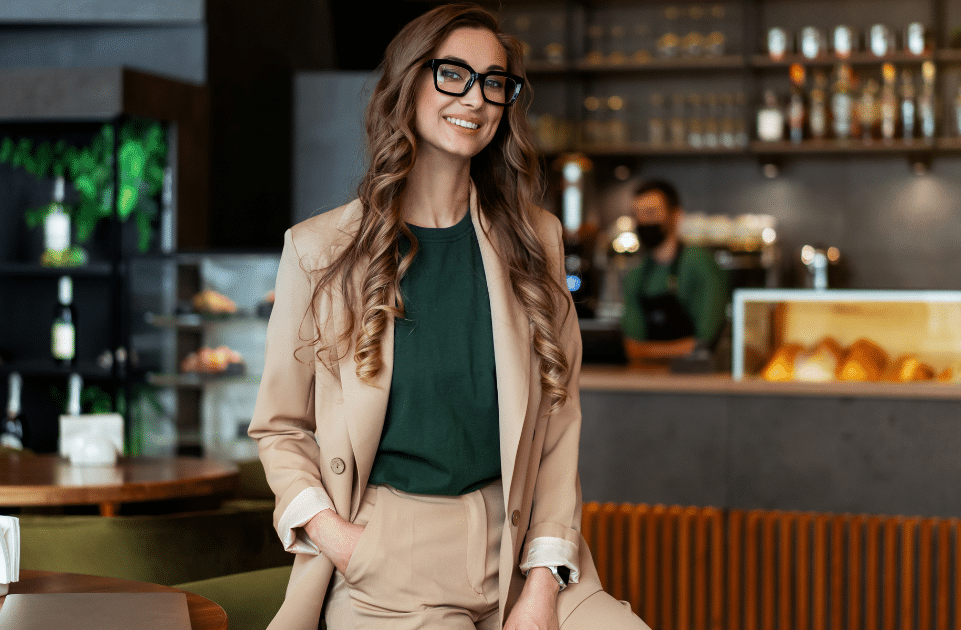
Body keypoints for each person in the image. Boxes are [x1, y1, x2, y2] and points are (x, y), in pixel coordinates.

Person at [248, 5, 651, 630]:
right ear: (408, 83)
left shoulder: (536, 240)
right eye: (453, 74)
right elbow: (280, 427)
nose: (476, 98)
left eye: (494, 82)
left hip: (517, 546)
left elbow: (558, 426)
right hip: (388, 556)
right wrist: (339, 539)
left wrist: (542, 585)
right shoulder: (319, 250)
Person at [619, 180, 728, 363]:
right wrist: (675, 349)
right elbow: (630, 344)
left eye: (651, 212)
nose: (643, 221)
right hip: (647, 375)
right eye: (637, 215)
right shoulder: (637, 273)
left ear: (676, 216)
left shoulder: (699, 264)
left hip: (698, 375)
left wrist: (646, 351)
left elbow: (703, 342)